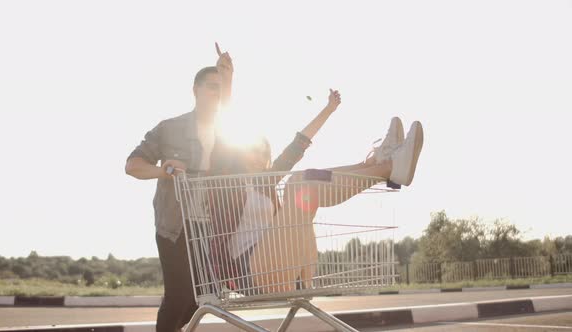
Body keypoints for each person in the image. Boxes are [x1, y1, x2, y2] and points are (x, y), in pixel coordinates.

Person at [210, 92, 423, 294]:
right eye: (251, 152)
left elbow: (297, 146)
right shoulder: (227, 184)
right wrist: (226, 79)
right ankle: (387, 168)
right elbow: (219, 140)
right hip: (251, 272)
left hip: (288, 266)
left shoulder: (266, 184)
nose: (257, 158)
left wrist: (328, 109)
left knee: (300, 181)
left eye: (262, 153)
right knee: (298, 183)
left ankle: (375, 164)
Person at [125, 43, 233, 332]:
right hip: (175, 223)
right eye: (211, 86)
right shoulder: (169, 128)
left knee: (203, 298)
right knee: (179, 295)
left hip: (210, 225)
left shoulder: (228, 132)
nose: (217, 92)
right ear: (195, 90)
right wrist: (163, 170)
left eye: (220, 88)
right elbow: (132, 165)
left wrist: (229, 78)